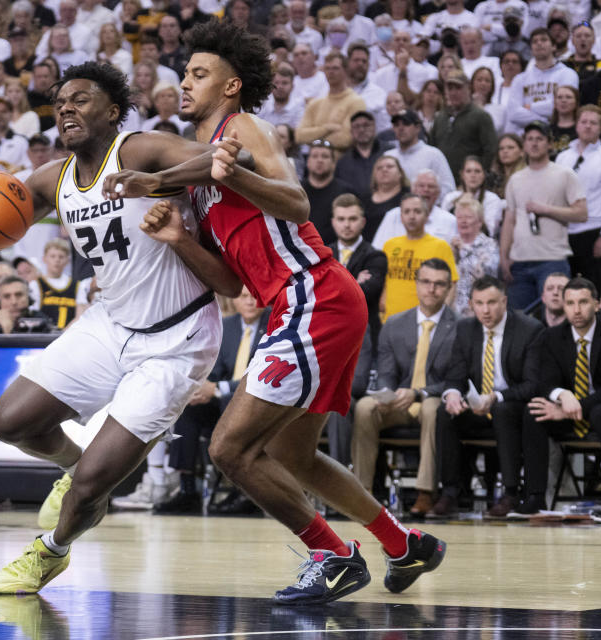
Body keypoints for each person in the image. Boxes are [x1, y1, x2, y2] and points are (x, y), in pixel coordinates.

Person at [111, 20, 446, 604]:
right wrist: (179, 239)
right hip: (299, 304)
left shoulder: (245, 128)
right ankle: (401, 543)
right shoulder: (201, 177)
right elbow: (231, 282)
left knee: (228, 449)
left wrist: (232, 171)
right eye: (184, 74)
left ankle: (333, 554)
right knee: (291, 452)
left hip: (315, 294)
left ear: (232, 85)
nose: (184, 84)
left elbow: (298, 201)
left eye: (198, 74)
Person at [0, 61, 225, 594]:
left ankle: (52, 551)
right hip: (110, 323)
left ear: (113, 112)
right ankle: (72, 467)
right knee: (10, 421)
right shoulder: (53, 177)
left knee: (95, 484)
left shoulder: (138, 149)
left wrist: (156, 181)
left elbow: (232, 158)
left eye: (81, 99)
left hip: (176, 337)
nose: (66, 107)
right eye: (60, 101)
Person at [353, 258, 458, 515]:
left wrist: (419, 393)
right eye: (426, 282)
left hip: (431, 399)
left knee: (434, 408)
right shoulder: (395, 324)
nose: (431, 289)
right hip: (400, 401)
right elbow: (387, 372)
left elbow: (457, 379)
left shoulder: (461, 327)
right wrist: (387, 393)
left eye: (439, 284)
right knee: (366, 407)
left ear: (448, 289)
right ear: (417, 284)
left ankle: (425, 492)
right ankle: (360, 492)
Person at [433, 275, 543, 518]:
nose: (485, 310)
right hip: (476, 406)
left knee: (504, 411)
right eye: (479, 303)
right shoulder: (465, 328)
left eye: (491, 302)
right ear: (471, 304)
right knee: (444, 412)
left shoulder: (529, 329)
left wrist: (496, 397)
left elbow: (532, 385)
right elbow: (455, 375)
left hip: (511, 405)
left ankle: (511, 492)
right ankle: (450, 492)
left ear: (504, 301)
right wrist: (452, 395)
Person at [154, 286, 269, 515]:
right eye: (243, 296)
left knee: (230, 402)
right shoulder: (225, 326)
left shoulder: (276, 326)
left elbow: (266, 376)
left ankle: (244, 492)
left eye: (254, 297)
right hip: (222, 403)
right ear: (235, 301)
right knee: (189, 406)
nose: (249, 302)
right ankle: (188, 490)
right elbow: (212, 371)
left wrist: (218, 388)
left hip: (260, 405)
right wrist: (201, 388)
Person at [520, 278, 601, 517]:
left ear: (596, 304)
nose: (576, 310)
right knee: (534, 412)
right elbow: (546, 382)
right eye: (570, 303)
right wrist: (562, 396)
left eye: (583, 302)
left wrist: (575, 407)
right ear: (562, 306)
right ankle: (535, 496)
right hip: (568, 409)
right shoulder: (552, 337)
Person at [500, 120, 587, 310]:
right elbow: (509, 221)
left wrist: (547, 210)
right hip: (520, 262)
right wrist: (503, 256)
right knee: (519, 322)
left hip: (552, 260)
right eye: (530, 139)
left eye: (539, 139)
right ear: (524, 145)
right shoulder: (515, 179)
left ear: (549, 144)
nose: (534, 143)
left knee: (555, 318)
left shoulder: (564, 174)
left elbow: (581, 213)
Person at [555, 106, 601, 293]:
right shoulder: (562, 157)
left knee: (592, 290)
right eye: (584, 122)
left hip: (593, 231)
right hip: (563, 233)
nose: (588, 126)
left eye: (593, 123)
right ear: (576, 125)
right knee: (564, 288)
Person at [381, 191, 459, 318]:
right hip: (390, 320)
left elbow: (452, 284)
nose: (411, 216)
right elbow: (384, 282)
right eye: (407, 212)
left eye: (417, 211)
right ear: (401, 216)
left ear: (427, 216)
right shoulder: (390, 245)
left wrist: (440, 316)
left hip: (425, 322)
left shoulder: (440, 246)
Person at [329, 193, 387, 348]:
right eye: (341, 219)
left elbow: (363, 293)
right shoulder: (323, 255)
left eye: (352, 219)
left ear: (363, 222)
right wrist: (354, 281)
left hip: (362, 339)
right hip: (328, 335)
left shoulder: (376, 256)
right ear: (333, 222)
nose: (346, 225)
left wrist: (331, 286)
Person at [506, 29, 579, 134]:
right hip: (525, 136)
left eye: (544, 40)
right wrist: (544, 121)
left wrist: (529, 107)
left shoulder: (567, 74)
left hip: (557, 133)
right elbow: (513, 113)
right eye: (535, 41)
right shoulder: (520, 79)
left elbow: (564, 106)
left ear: (554, 46)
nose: (539, 43)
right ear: (531, 49)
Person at [429, 70, 498, 182]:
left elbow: (491, 150)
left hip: (470, 183)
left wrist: (478, 176)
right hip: (442, 181)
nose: (454, 93)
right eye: (450, 88)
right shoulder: (440, 117)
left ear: (469, 88)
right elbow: (432, 148)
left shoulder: (481, 116)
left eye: (458, 88)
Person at [293, 52, 368, 152]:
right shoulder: (315, 104)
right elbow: (299, 136)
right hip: (314, 163)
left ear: (345, 71)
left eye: (335, 68)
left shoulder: (356, 102)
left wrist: (314, 139)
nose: (330, 72)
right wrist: (327, 129)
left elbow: (345, 139)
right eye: (327, 68)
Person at [383, 109, 456, 195]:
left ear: (417, 128)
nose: (401, 128)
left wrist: (429, 203)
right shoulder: (388, 156)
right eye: (396, 125)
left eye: (406, 124)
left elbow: (449, 188)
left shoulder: (433, 154)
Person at [450, 196, 500, 317]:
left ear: (479, 222)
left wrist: (465, 250)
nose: (463, 221)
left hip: (482, 311)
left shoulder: (490, 245)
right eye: (460, 217)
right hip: (454, 311)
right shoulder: (451, 245)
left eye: (468, 217)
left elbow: (486, 273)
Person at [301, 140, 358, 246]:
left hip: (336, 253)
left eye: (325, 156)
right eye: (315, 156)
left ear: (333, 163)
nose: (319, 160)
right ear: (307, 162)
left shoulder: (346, 192)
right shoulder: (297, 190)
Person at [27, 239, 89, 330]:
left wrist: (63, 334)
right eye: (53, 256)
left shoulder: (78, 285)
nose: (57, 260)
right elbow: (33, 314)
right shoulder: (35, 284)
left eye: (61, 256)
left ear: (67, 260)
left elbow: (80, 316)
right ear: (44, 259)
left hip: (68, 336)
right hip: (42, 336)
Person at [442, 155, 505, 237]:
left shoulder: (492, 199)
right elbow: (443, 226)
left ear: (484, 175)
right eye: (468, 171)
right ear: (462, 175)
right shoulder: (450, 198)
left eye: (477, 171)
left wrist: (472, 205)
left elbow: (490, 231)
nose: (473, 175)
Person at [334, 110, 390, 199]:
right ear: (351, 131)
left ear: (374, 127)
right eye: (356, 126)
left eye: (366, 125)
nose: (361, 130)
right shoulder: (343, 163)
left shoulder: (389, 152)